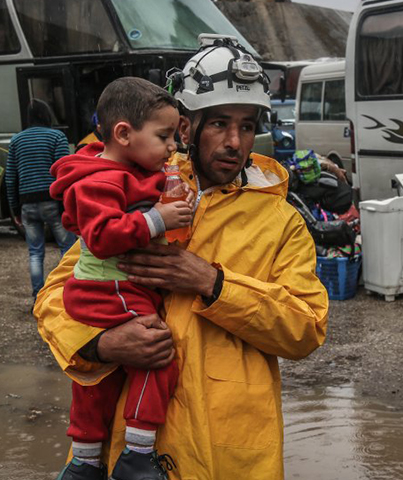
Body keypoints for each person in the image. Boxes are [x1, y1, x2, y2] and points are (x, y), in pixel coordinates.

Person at [35, 35, 328, 480]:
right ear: (187, 127)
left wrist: (213, 284)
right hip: (131, 453)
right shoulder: (132, 193)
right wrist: (100, 343)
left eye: (247, 126)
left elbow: (305, 328)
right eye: (220, 124)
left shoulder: (281, 221)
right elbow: (58, 292)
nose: (234, 141)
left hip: (229, 454)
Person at [48, 77, 192, 479]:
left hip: (106, 287)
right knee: (159, 356)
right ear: (124, 134)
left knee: (98, 378)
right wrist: (157, 218)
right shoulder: (100, 180)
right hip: (111, 286)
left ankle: (86, 462)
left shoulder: (122, 169)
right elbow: (103, 236)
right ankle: (136, 457)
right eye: (164, 136)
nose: (173, 148)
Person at [4, 99, 76, 299]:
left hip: (27, 204)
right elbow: (65, 173)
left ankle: (37, 296)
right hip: (53, 201)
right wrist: (68, 206)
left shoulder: (17, 140)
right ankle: (67, 294)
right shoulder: (57, 137)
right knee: (68, 250)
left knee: (35, 253)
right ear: (47, 115)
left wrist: (16, 209)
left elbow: (11, 177)